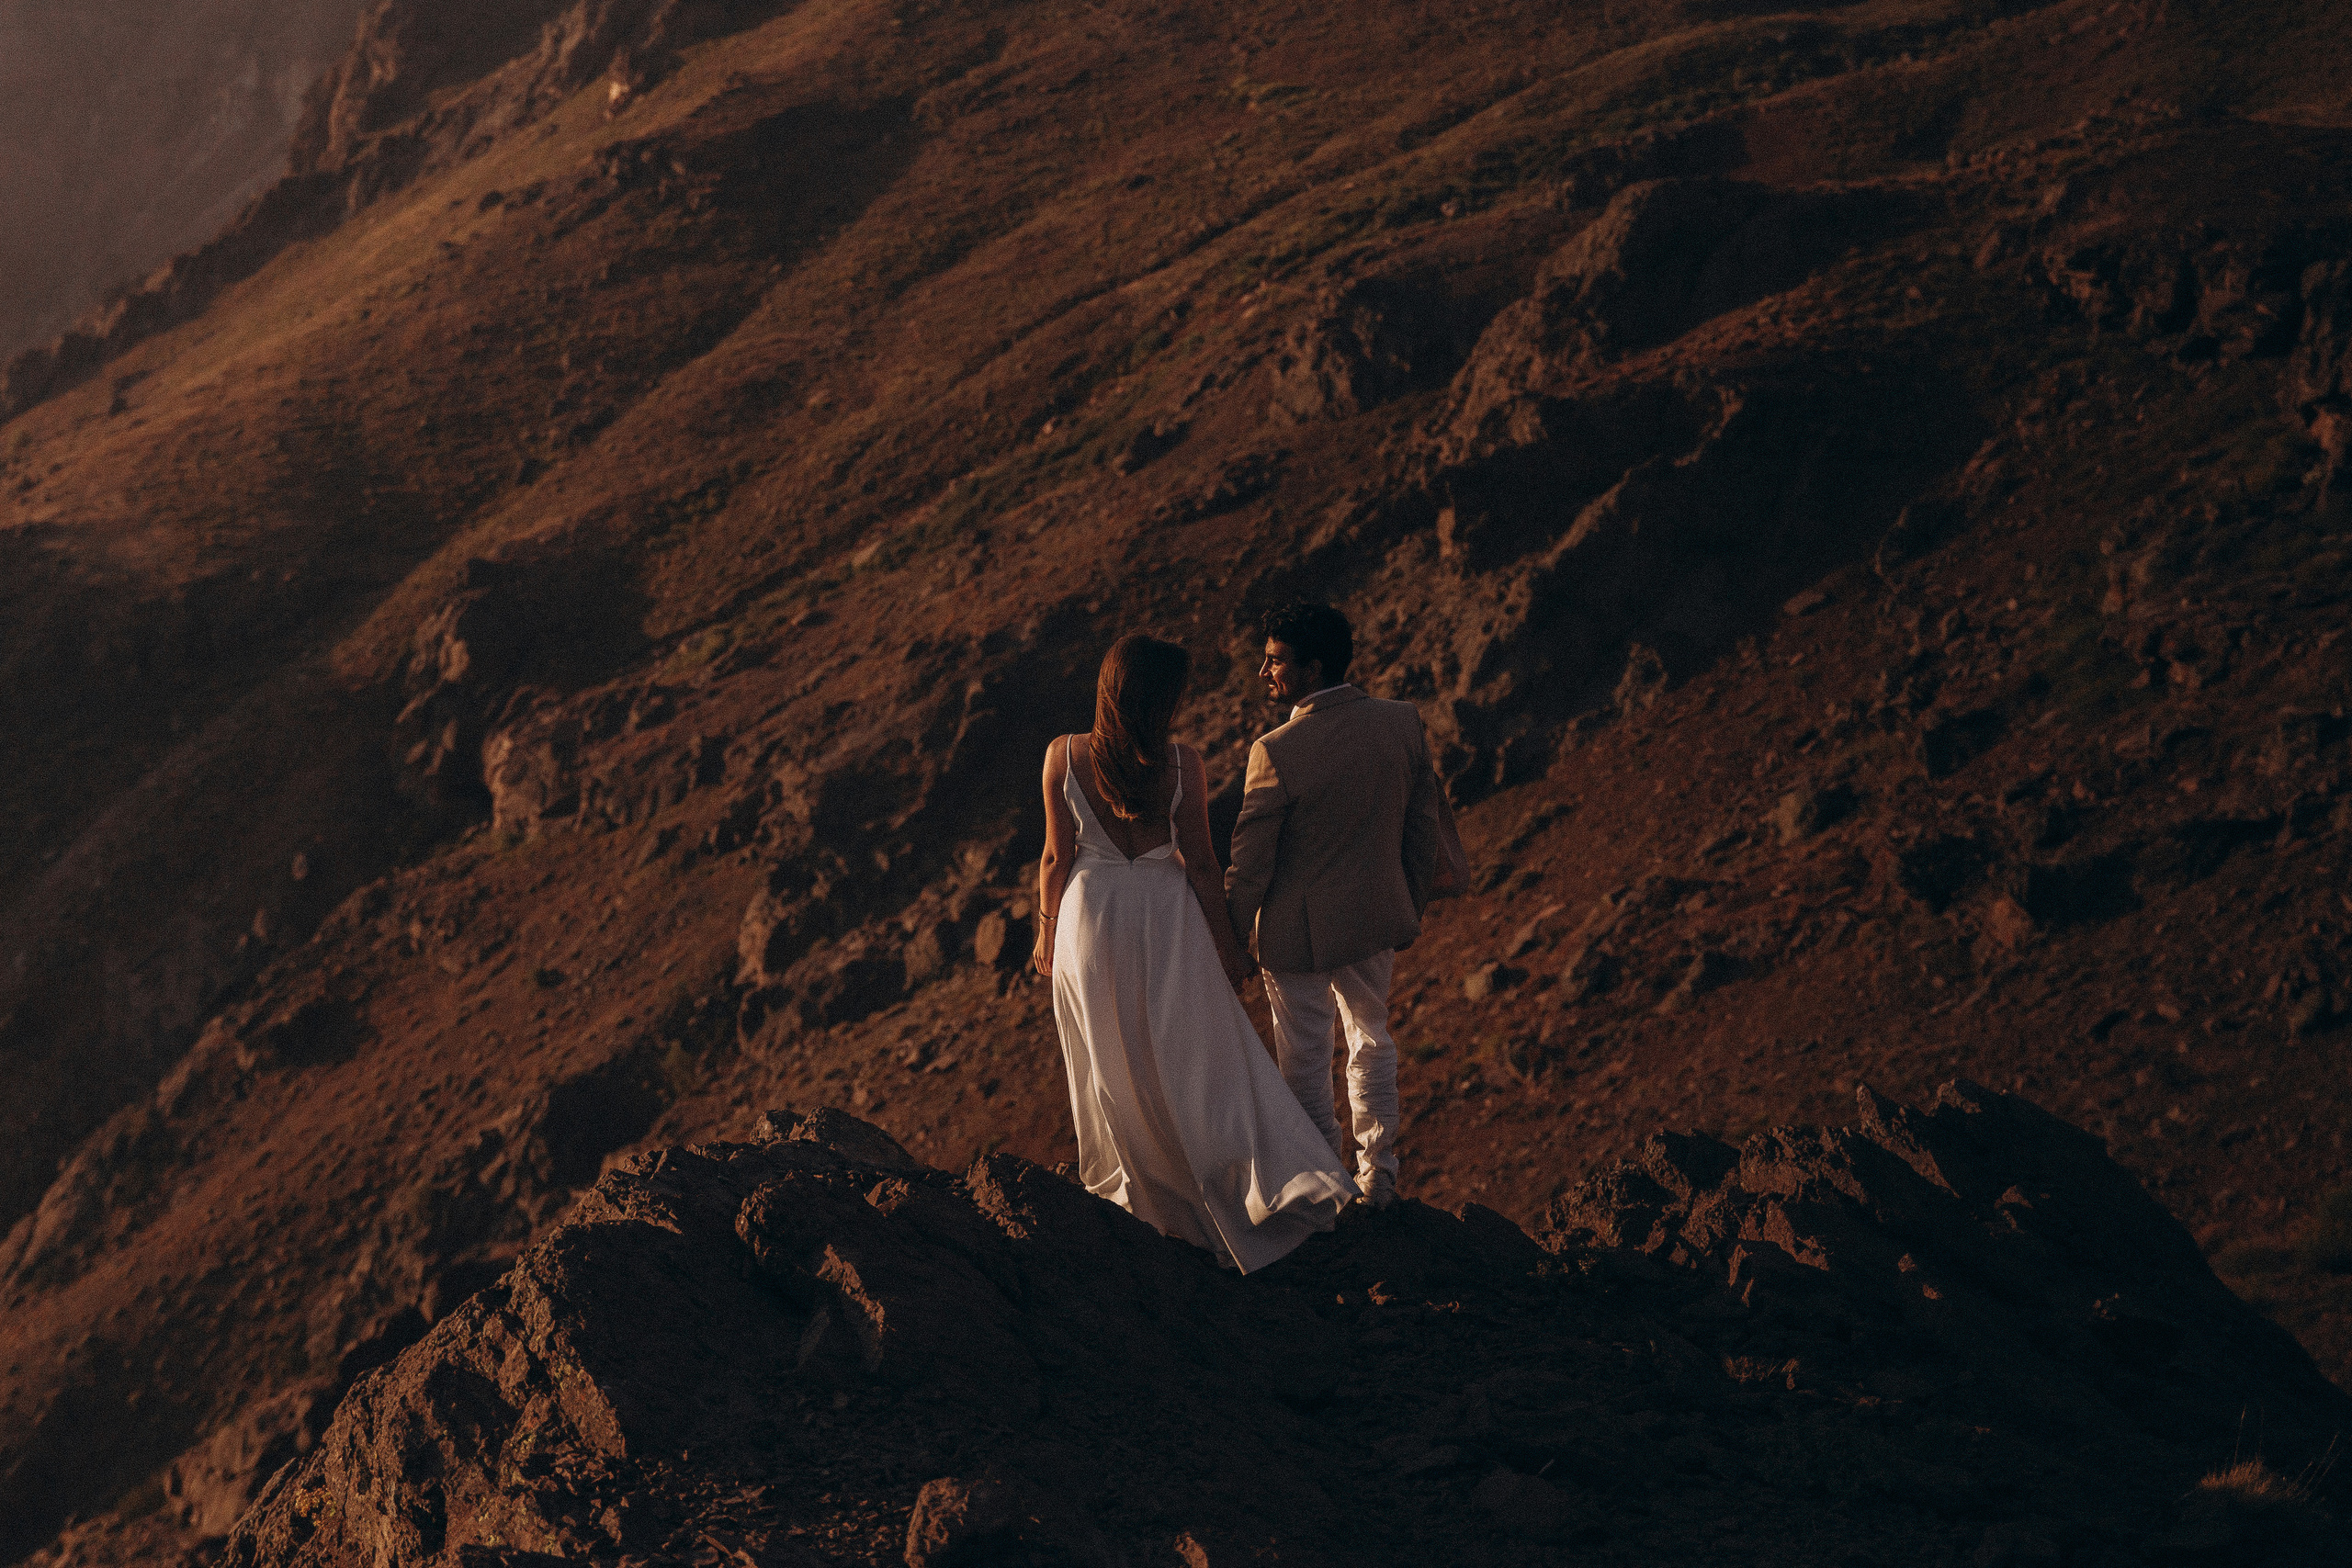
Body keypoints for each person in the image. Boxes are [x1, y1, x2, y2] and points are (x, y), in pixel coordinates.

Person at [1033, 634, 1355, 1272]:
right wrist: (1232, 952)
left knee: (1109, 1054)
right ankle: (1230, 1182)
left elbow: (1053, 858)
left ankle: (1143, 1197)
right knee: (1189, 1054)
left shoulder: (1062, 756)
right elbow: (1205, 866)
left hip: (1090, 917)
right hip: (1164, 914)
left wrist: (1045, 935)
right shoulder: (1182, 765)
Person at [1226, 602, 1444, 1209]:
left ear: (1312, 666)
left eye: (1275, 661)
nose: (1265, 673)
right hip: (1376, 917)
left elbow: (1250, 865)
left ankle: (1329, 1185)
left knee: (1304, 1060)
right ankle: (1380, 1174)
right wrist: (1408, 902)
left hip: (1296, 936)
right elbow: (1422, 827)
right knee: (1373, 1039)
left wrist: (1229, 939)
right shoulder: (1402, 722)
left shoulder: (1277, 750)